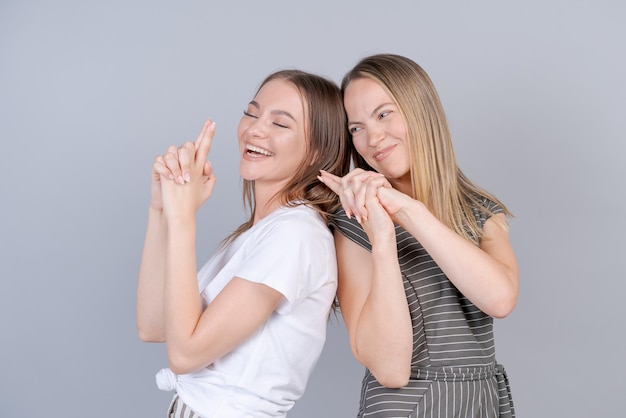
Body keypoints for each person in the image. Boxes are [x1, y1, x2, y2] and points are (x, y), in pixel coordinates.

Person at [136, 69, 350, 417]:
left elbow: (186, 354)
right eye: (252, 113)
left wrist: (183, 218)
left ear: (317, 151)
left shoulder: (295, 234)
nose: (255, 129)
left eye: (280, 124)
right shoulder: (261, 232)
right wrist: (161, 209)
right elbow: (153, 325)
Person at [318, 54, 518, 417]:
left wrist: (410, 211)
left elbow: (500, 299)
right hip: (410, 404)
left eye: (383, 114)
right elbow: (389, 367)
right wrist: (382, 240)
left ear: (420, 110)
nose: (373, 138)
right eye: (356, 128)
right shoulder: (353, 222)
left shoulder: (481, 211)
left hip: (483, 402)